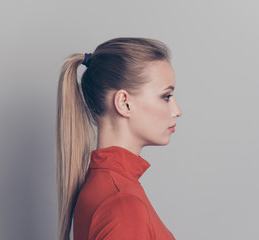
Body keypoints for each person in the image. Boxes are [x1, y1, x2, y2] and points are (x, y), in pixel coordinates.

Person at [56, 37, 182, 240]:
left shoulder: (107, 187)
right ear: (124, 103)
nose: (177, 111)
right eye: (166, 97)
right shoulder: (122, 203)